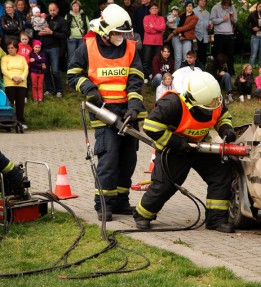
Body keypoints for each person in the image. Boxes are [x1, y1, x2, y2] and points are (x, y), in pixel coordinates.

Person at [67, 4, 147, 222]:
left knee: (128, 159)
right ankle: (103, 203)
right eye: (117, 33)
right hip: (103, 112)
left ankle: (121, 201)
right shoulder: (88, 46)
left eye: (123, 33)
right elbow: (73, 74)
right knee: (109, 158)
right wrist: (89, 89)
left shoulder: (130, 48)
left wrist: (134, 107)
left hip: (127, 112)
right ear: (105, 31)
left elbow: (135, 80)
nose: (121, 37)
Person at [134, 70, 237, 233]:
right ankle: (142, 214)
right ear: (192, 100)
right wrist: (176, 142)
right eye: (207, 107)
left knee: (221, 174)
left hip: (200, 147)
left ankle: (216, 219)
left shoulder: (213, 99)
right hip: (174, 150)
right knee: (165, 186)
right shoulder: (172, 102)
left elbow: (222, 116)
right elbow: (150, 126)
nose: (211, 108)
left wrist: (226, 129)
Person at [39, 2, 68, 98]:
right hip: (43, 47)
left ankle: (59, 90)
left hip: (54, 48)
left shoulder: (62, 21)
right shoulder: (45, 19)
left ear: (57, 10)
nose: (52, 12)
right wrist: (40, 33)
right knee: (45, 70)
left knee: (55, 71)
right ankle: (49, 89)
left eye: (54, 10)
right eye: (50, 10)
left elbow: (64, 35)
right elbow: (37, 29)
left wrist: (52, 32)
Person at [1, 39, 29, 129]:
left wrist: (21, 78)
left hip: (21, 83)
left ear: (16, 48)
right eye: (9, 48)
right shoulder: (5, 58)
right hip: (9, 83)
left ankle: (21, 121)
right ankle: (9, 122)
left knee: (20, 104)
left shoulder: (22, 58)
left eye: (12, 48)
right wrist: (13, 77)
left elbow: (26, 69)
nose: (10, 50)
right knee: (9, 104)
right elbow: (4, 70)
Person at [210, 0, 237, 76]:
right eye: (226, 4)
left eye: (228, 4)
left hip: (229, 34)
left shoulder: (232, 8)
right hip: (219, 34)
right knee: (218, 54)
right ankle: (216, 71)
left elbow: (235, 20)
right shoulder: (215, 7)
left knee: (230, 55)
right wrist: (222, 19)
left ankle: (231, 72)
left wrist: (232, 19)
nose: (227, 5)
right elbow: (212, 20)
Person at [170, 0, 198, 70]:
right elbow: (175, 24)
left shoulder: (195, 17)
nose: (189, 7)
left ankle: (186, 73)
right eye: (187, 6)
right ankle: (176, 74)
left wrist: (176, 31)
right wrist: (179, 34)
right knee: (178, 57)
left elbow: (188, 27)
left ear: (193, 7)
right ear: (185, 7)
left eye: (190, 6)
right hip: (177, 37)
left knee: (187, 57)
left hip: (187, 38)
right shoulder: (181, 15)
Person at [142, 2, 165, 83]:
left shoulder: (161, 18)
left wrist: (153, 27)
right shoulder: (146, 17)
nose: (154, 10)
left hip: (158, 42)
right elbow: (146, 29)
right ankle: (145, 75)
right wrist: (157, 30)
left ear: (158, 10)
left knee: (156, 59)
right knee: (146, 59)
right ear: (150, 10)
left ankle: (154, 74)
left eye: (156, 8)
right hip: (148, 41)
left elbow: (163, 27)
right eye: (153, 8)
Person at [65, 0, 89, 65]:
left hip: (82, 38)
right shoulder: (68, 16)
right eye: (74, 6)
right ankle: (70, 73)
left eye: (77, 6)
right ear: (71, 7)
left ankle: (80, 72)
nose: (75, 7)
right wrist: (67, 36)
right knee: (71, 57)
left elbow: (88, 27)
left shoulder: (84, 16)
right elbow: (65, 27)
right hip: (71, 38)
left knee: (81, 56)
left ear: (79, 7)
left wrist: (87, 37)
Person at [193, 0, 212, 67]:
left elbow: (210, 23)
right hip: (196, 36)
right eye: (201, 1)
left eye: (204, 1)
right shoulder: (194, 11)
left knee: (203, 55)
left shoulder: (207, 13)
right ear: (198, 2)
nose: (203, 2)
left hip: (205, 37)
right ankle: (195, 70)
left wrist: (210, 26)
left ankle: (203, 70)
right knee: (195, 54)